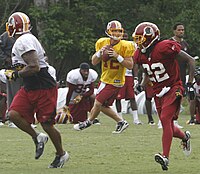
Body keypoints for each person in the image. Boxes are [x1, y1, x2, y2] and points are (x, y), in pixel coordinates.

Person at [4, 12, 68, 168]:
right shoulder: (26, 39)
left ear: (14, 27)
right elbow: (29, 63)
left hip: (43, 86)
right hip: (30, 86)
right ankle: (38, 137)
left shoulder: (23, 41)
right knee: (13, 114)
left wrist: (16, 74)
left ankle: (61, 154)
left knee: (46, 124)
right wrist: (13, 69)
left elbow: (34, 66)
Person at [132, 22, 195, 170]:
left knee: (166, 119)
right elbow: (146, 68)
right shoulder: (140, 53)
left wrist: (190, 83)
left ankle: (165, 157)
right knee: (169, 127)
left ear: (151, 37)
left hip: (174, 87)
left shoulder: (165, 46)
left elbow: (190, 60)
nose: (139, 42)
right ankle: (185, 137)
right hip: (158, 91)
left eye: (141, 39)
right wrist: (140, 82)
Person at [74, 20, 134, 133]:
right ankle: (121, 122)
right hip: (105, 78)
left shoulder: (126, 45)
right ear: (108, 32)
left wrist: (118, 56)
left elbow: (130, 66)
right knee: (102, 105)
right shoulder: (102, 42)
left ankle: (88, 122)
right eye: (114, 31)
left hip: (116, 81)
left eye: (118, 31)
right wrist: (99, 53)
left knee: (98, 102)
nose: (116, 34)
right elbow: (94, 61)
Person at [169, 23, 190, 128]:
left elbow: (188, 61)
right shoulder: (169, 43)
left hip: (181, 75)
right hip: (171, 76)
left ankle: (174, 120)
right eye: (179, 30)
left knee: (179, 98)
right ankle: (166, 120)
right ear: (174, 31)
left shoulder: (185, 44)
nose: (181, 31)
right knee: (171, 98)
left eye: (183, 30)